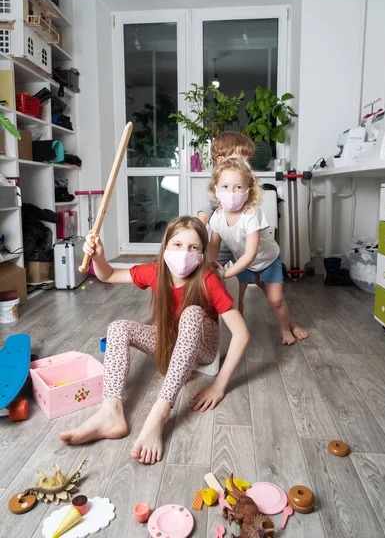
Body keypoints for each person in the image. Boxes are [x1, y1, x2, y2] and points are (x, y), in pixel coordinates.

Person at [59, 216, 250, 465]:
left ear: (202, 253)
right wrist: (98, 257)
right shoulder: (156, 271)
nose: (185, 253)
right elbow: (108, 276)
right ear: (165, 247)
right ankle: (111, 412)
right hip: (171, 342)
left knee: (192, 313)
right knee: (118, 327)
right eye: (177, 245)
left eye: (193, 247)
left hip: (203, 348)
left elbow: (242, 334)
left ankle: (160, 412)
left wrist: (219, 386)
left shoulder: (207, 280)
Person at [208, 157, 308, 346]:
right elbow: (214, 246)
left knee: (276, 300)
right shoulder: (217, 217)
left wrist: (227, 272)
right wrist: (208, 264)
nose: (232, 192)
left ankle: (286, 328)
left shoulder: (252, 215)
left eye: (238, 187)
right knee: (235, 301)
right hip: (242, 263)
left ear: (248, 191)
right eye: (226, 186)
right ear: (216, 189)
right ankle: (239, 333)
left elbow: (251, 253)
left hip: (266, 260)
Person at [198, 131, 255, 266]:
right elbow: (204, 215)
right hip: (219, 245)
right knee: (209, 272)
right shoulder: (215, 188)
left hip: (242, 243)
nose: (245, 166)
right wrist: (194, 231)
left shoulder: (245, 183)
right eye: (240, 161)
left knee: (257, 273)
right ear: (221, 161)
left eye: (246, 162)